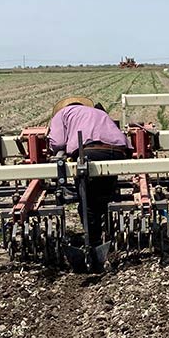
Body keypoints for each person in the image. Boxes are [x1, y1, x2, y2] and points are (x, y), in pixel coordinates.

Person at [49, 97, 130, 247]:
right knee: (105, 194)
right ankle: (107, 234)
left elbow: (58, 143)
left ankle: (94, 243)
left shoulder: (62, 114)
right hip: (118, 151)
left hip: (90, 153)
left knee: (88, 201)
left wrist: (56, 151)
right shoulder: (99, 112)